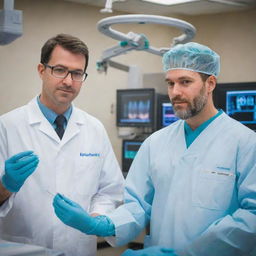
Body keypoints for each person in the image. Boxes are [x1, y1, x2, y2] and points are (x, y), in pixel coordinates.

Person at [52, 42, 256, 256]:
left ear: (210, 83)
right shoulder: (156, 143)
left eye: (185, 82)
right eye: (170, 83)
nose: (175, 92)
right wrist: (104, 225)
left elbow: (252, 216)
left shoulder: (245, 143)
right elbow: (137, 204)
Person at [0, 33, 124, 256]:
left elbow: (110, 190)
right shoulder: (7, 127)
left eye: (77, 73)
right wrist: (5, 186)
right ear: (41, 70)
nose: (68, 81)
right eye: (59, 70)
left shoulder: (94, 128)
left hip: (78, 249)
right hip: (23, 249)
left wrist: (93, 220)